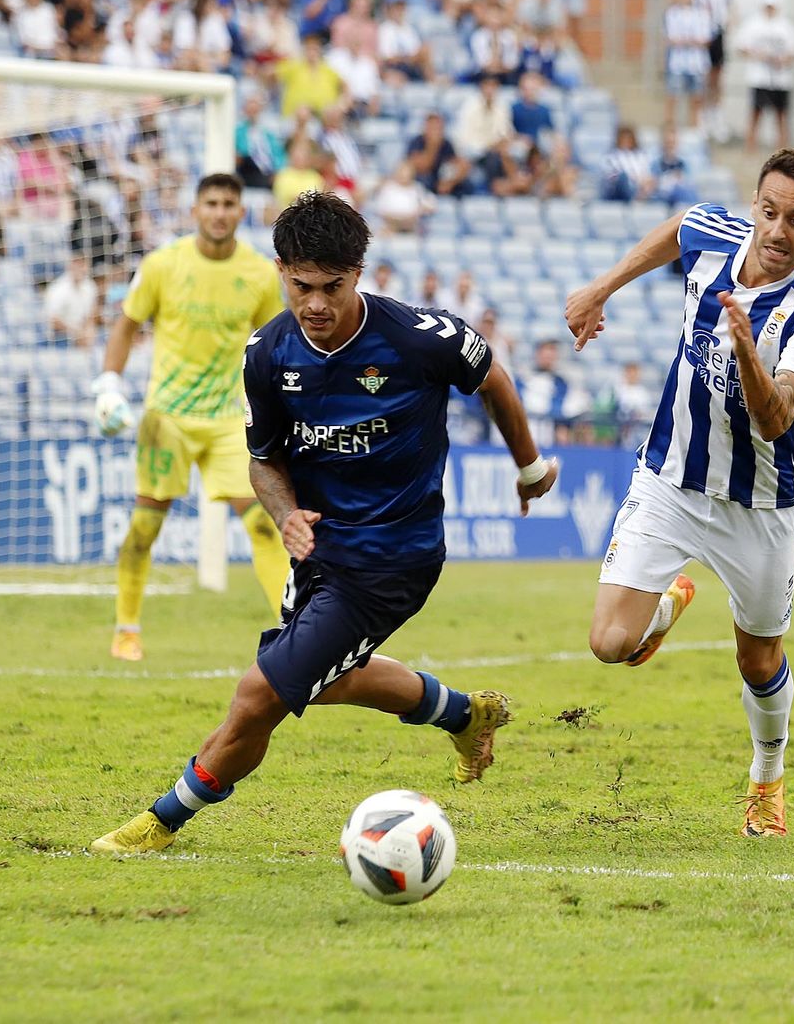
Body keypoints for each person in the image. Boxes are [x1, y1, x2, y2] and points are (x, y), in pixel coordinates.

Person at [89, 190, 560, 855]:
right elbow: (263, 461)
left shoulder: (422, 339)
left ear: (358, 274)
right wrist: (284, 515)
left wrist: (531, 466)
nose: (315, 304)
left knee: (259, 695)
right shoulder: (268, 355)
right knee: (328, 676)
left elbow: (495, 381)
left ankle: (160, 822)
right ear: (280, 270)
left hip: (392, 558)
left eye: (331, 287)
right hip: (318, 555)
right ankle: (464, 713)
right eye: (301, 285)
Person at [563, 148, 794, 837]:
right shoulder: (719, 235)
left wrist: (749, 349)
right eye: (770, 211)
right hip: (671, 477)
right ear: (755, 204)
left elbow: (776, 417)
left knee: (758, 659)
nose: (778, 231)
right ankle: (662, 610)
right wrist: (604, 287)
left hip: (759, 504)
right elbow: (679, 226)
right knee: (608, 642)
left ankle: (767, 775)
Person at [91, 174, 292, 663]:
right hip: (169, 418)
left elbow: (271, 348)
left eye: (228, 203)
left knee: (265, 525)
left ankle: (293, 633)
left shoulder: (261, 274)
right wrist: (109, 384)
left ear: (240, 210)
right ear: (195, 210)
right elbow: (126, 326)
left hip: (229, 419)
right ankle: (127, 629)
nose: (220, 212)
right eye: (211, 203)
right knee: (144, 525)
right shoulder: (164, 264)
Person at [733, 0, 794, 153]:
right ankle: (750, 148)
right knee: (756, 113)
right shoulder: (753, 24)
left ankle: (782, 150)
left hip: (781, 77)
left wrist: (783, 59)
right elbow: (740, 47)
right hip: (759, 77)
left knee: (781, 115)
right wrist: (757, 55)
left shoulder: (786, 26)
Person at [663, 0, 713, 129]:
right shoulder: (671, 13)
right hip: (677, 63)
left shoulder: (701, 14)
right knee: (673, 97)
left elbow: (704, 39)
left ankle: (695, 128)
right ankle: (670, 128)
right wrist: (690, 41)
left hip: (696, 63)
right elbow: (671, 38)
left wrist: (686, 41)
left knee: (697, 99)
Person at [691, 0, 732, 142]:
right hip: (700, 36)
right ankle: (702, 118)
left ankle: (716, 116)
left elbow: (730, 9)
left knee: (717, 77)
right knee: (702, 78)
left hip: (717, 34)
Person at [44, 253, 101, 347]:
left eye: (83, 265)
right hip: (60, 336)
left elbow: (92, 313)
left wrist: (89, 330)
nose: (80, 268)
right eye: (77, 264)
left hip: (82, 333)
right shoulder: (58, 288)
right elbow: (53, 321)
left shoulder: (90, 286)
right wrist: (76, 333)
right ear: (70, 266)